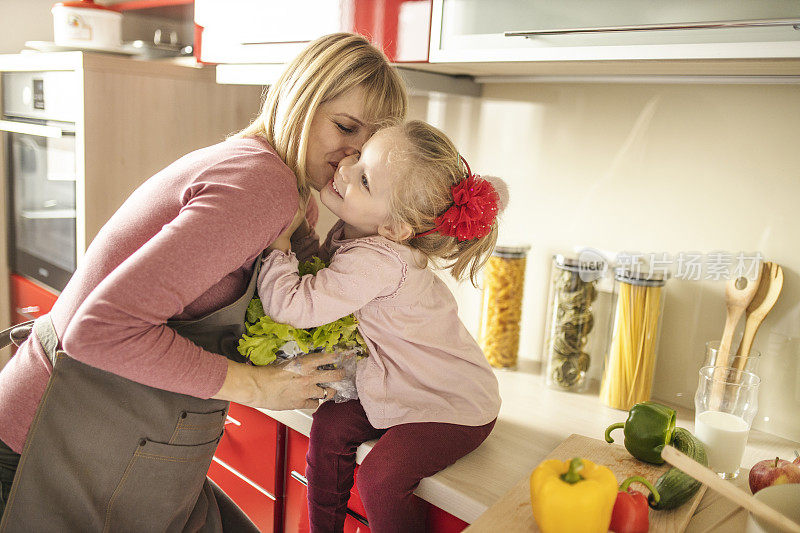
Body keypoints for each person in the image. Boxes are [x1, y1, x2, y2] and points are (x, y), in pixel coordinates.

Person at [0, 32, 407, 531]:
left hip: (115, 447)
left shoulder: (278, 184)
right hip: (45, 453)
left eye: (367, 150)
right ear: (300, 97)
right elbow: (101, 329)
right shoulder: (261, 185)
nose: (349, 158)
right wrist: (260, 387)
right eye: (345, 127)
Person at [257, 120, 505, 532]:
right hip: (403, 382)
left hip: (454, 406)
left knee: (381, 477)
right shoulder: (361, 232)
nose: (346, 167)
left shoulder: (378, 260)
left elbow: (294, 305)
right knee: (330, 425)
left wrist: (278, 245)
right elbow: (327, 283)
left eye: (365, 179)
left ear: (394, 229)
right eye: (359, 155)